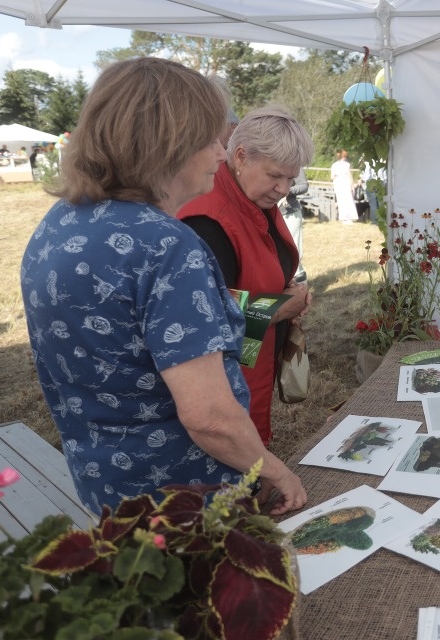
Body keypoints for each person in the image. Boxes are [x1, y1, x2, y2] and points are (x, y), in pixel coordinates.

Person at [19, 57, 307, 516]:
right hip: (184, 500)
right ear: (170, 144)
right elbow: (210, 418)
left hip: (107, 487)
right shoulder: (165, 244)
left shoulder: (59, 222)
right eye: (212, 139)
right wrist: (274, 470)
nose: (220, 153)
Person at [178, 106, 313, 445]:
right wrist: (283, 306)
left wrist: (286, 289)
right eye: (275, 176)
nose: (284, 189)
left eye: (291, 179)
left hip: (252, 361)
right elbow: (212, 320)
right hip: (224, 383)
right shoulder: (208, 221)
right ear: (240, 156)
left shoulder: (252, 198)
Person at [279, 166, 309, 283]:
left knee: (292, 253)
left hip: (290, 213)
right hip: (270, 213)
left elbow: (303, 186)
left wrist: (286, 191)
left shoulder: (294, 162)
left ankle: (301, 289)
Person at [331, 149, 357, 224]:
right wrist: (352, 185)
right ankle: (349, 218)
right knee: (348, 200)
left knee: (341, 200)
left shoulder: (334, 165)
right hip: (345, 182)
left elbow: (332, 177)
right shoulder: (346, 165)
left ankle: (343, 218)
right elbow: (350, 175)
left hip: (338, 183)